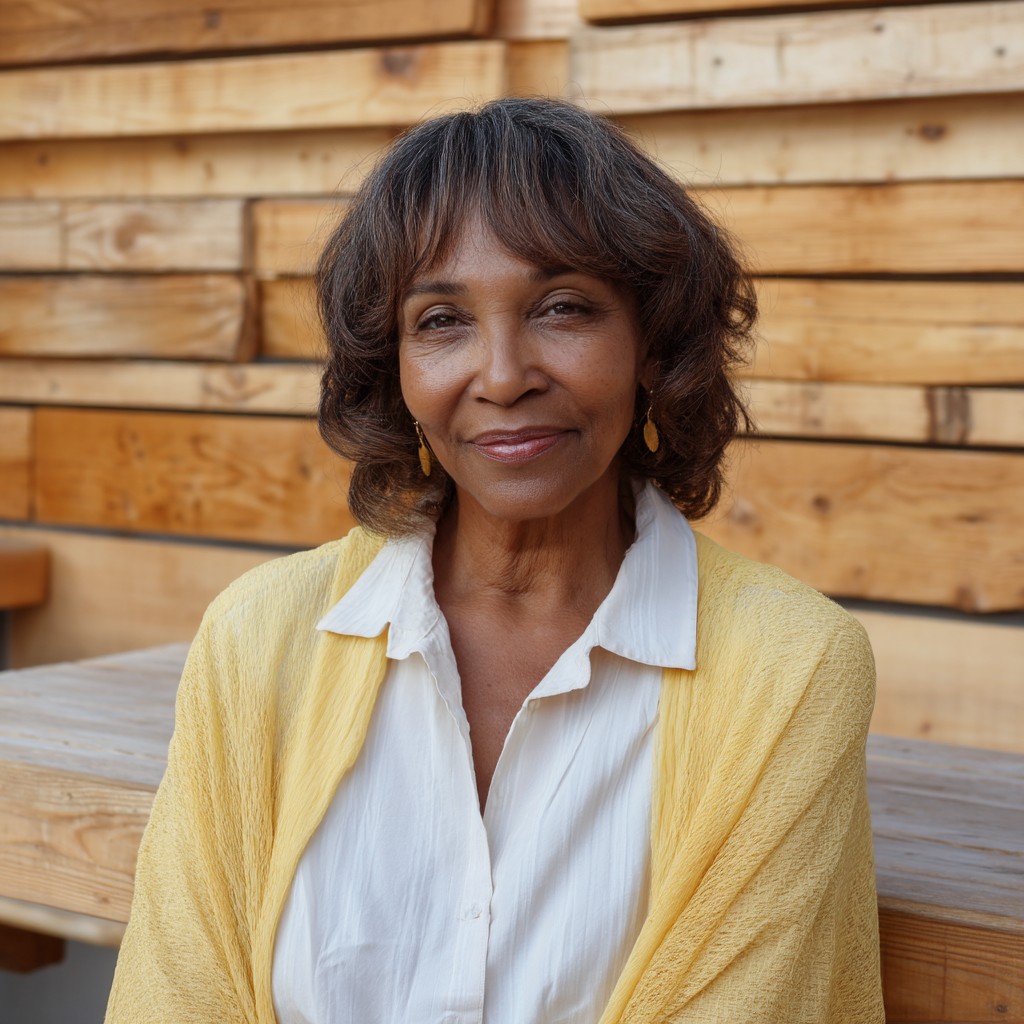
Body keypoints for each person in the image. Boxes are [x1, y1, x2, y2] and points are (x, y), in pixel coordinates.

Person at [105, 98, 884, 1023]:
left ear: (652, 343)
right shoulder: (260, 637)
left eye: (563, 308)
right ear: (392, 364)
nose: (505, 374)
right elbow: (178, 999)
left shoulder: (790, 667)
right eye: (441, 320)